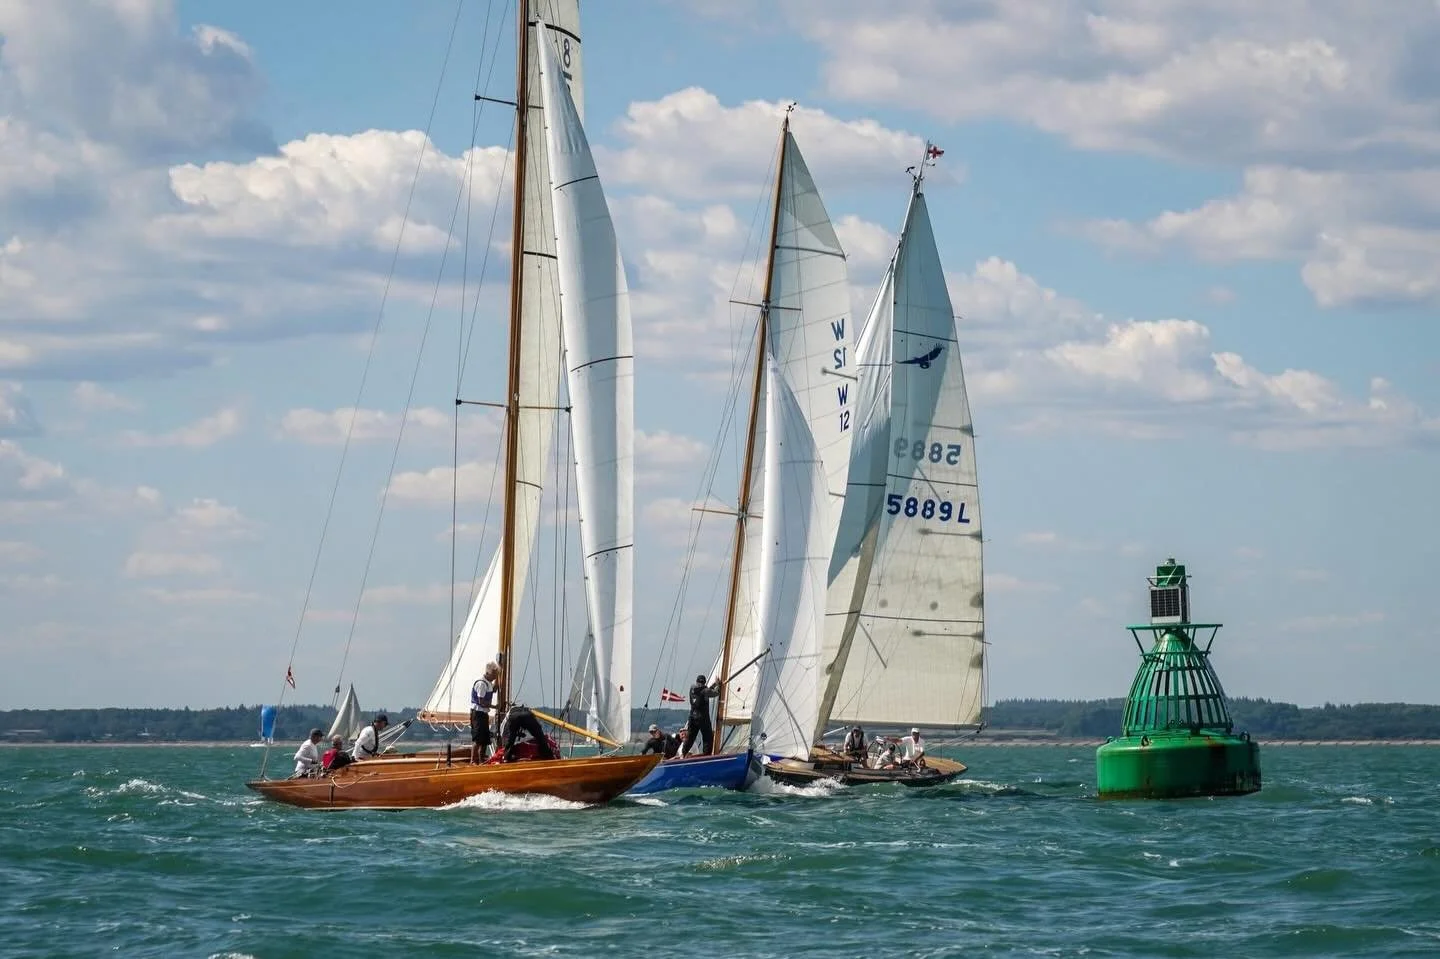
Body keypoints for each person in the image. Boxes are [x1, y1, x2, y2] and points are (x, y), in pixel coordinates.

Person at [470, 661, 500, 764]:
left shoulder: (489, 684)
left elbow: (494, 689)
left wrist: (499, 677)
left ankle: (481, 759)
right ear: (488, 673)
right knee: (478, 738)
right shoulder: (481, 684)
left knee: (485, 739)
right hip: (477, 713)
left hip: (483, 714)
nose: (495, 677)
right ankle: (473, 761)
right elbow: (481, 702)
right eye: (494, 674)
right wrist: (494, 706)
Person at [684, 673, 720, 756]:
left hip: (692, 717)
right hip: (702, 718)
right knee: (707, 736)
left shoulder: (692, 688)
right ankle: (707, 754)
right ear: (704, 682)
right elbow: (715, 693)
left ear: (696, 681)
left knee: (691, 737)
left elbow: (706, 691)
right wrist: (718, 685)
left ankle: (683, 753)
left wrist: (714, 684)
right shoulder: (705, 690)